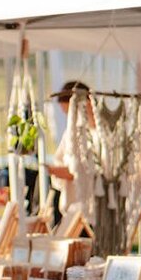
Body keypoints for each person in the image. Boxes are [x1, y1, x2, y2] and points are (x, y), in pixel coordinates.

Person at [46, 81, 93, 222]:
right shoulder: (71, 132)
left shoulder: (94, 133)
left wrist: (56, 171)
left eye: (70, 113)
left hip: (88, 205)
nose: (70, 118)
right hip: (73, 207)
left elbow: (83, 170)